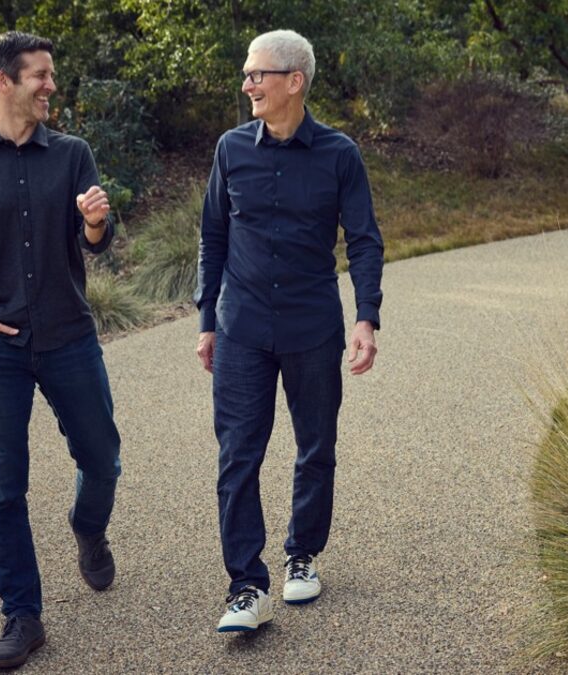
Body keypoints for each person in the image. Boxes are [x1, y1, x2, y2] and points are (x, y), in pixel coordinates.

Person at [0, 31, 122, 669]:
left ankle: (88, 529)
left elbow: (95, 241)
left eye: (50, 74)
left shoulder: (72, 154)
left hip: (69, 337)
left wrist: (95, 220)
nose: (50, 85)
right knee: (2, 488)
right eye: (40, 74)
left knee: (103, 460)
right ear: (3, 81)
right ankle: (23, 616)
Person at [195, 29, 385, 633]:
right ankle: (245, 587)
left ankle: (302, 554)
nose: (247, 84)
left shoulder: (339, 154)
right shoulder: (231, 149)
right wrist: (207, 322)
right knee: (237, 456)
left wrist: (366, 317)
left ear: (294, 81)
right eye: (247, 74)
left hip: (312, 327)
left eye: (258, 74)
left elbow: (364, 241)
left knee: (316, 446)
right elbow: (213, 237)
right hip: (242, 328)